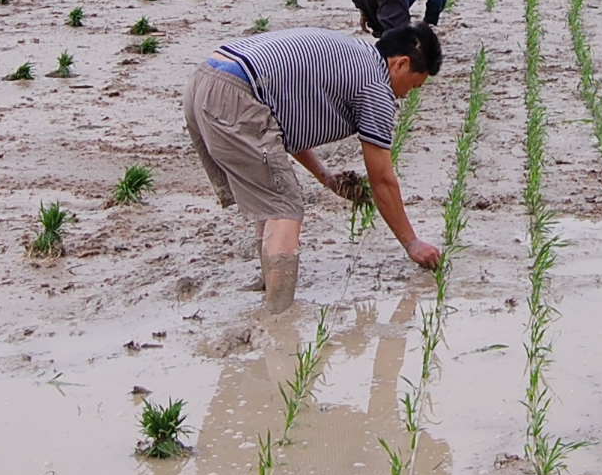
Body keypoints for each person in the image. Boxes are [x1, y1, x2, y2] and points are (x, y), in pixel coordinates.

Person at [184, 24, 444, 311]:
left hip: (206, 80)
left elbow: (284, 122)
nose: (406, 95)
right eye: (414, 85)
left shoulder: (354, 55)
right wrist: (412, 243)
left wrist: (325, 176)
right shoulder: (376, 86)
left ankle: (270, 287)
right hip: (235, 93)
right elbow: (382, 179)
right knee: (284, 207)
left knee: (270, 196)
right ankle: (278, 320)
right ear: (401, 64)